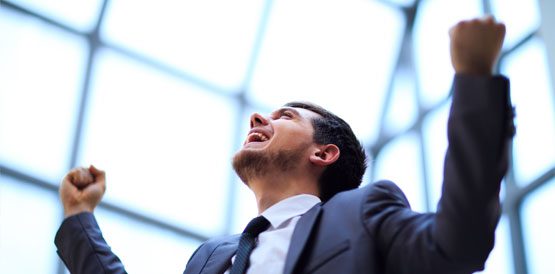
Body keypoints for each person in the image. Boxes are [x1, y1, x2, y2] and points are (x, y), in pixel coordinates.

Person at [55, 16, 514, 274]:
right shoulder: (210, 258)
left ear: (323, 153)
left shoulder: (363, 214)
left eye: (285, 116)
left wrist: (475, 80)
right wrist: (80, 218)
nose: (257, 118)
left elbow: (461, 243)